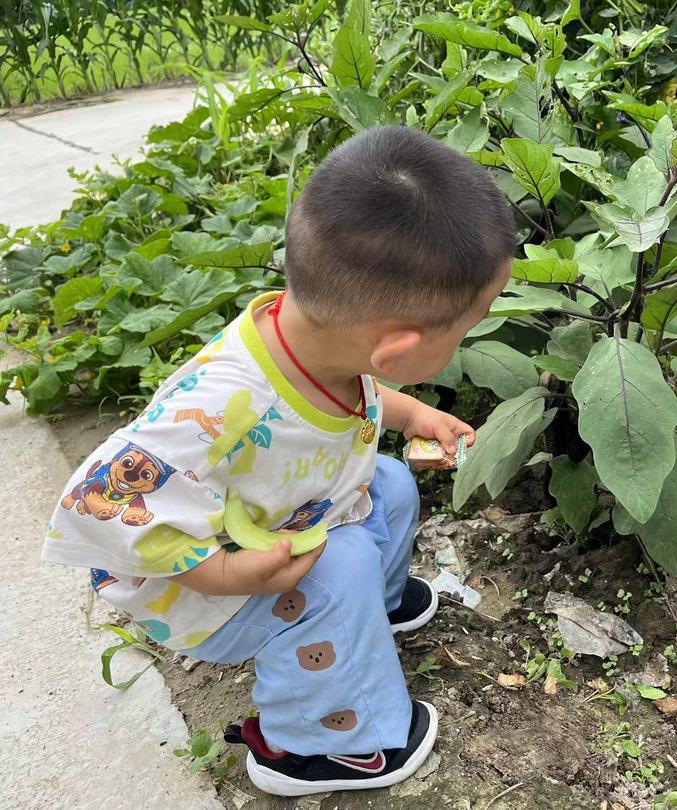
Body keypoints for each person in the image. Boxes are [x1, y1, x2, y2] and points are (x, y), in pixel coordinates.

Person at [42, 125, 516, 796]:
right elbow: (103, 500)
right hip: (200, 586)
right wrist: (226, 573)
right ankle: (318, 744)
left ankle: (366, 614)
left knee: (387, 481)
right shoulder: (218, 408)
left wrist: (411, 415)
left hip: (287, 511)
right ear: (397, 348)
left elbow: (352, 388)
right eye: (475, 321)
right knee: (342, 561)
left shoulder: (308, 335)